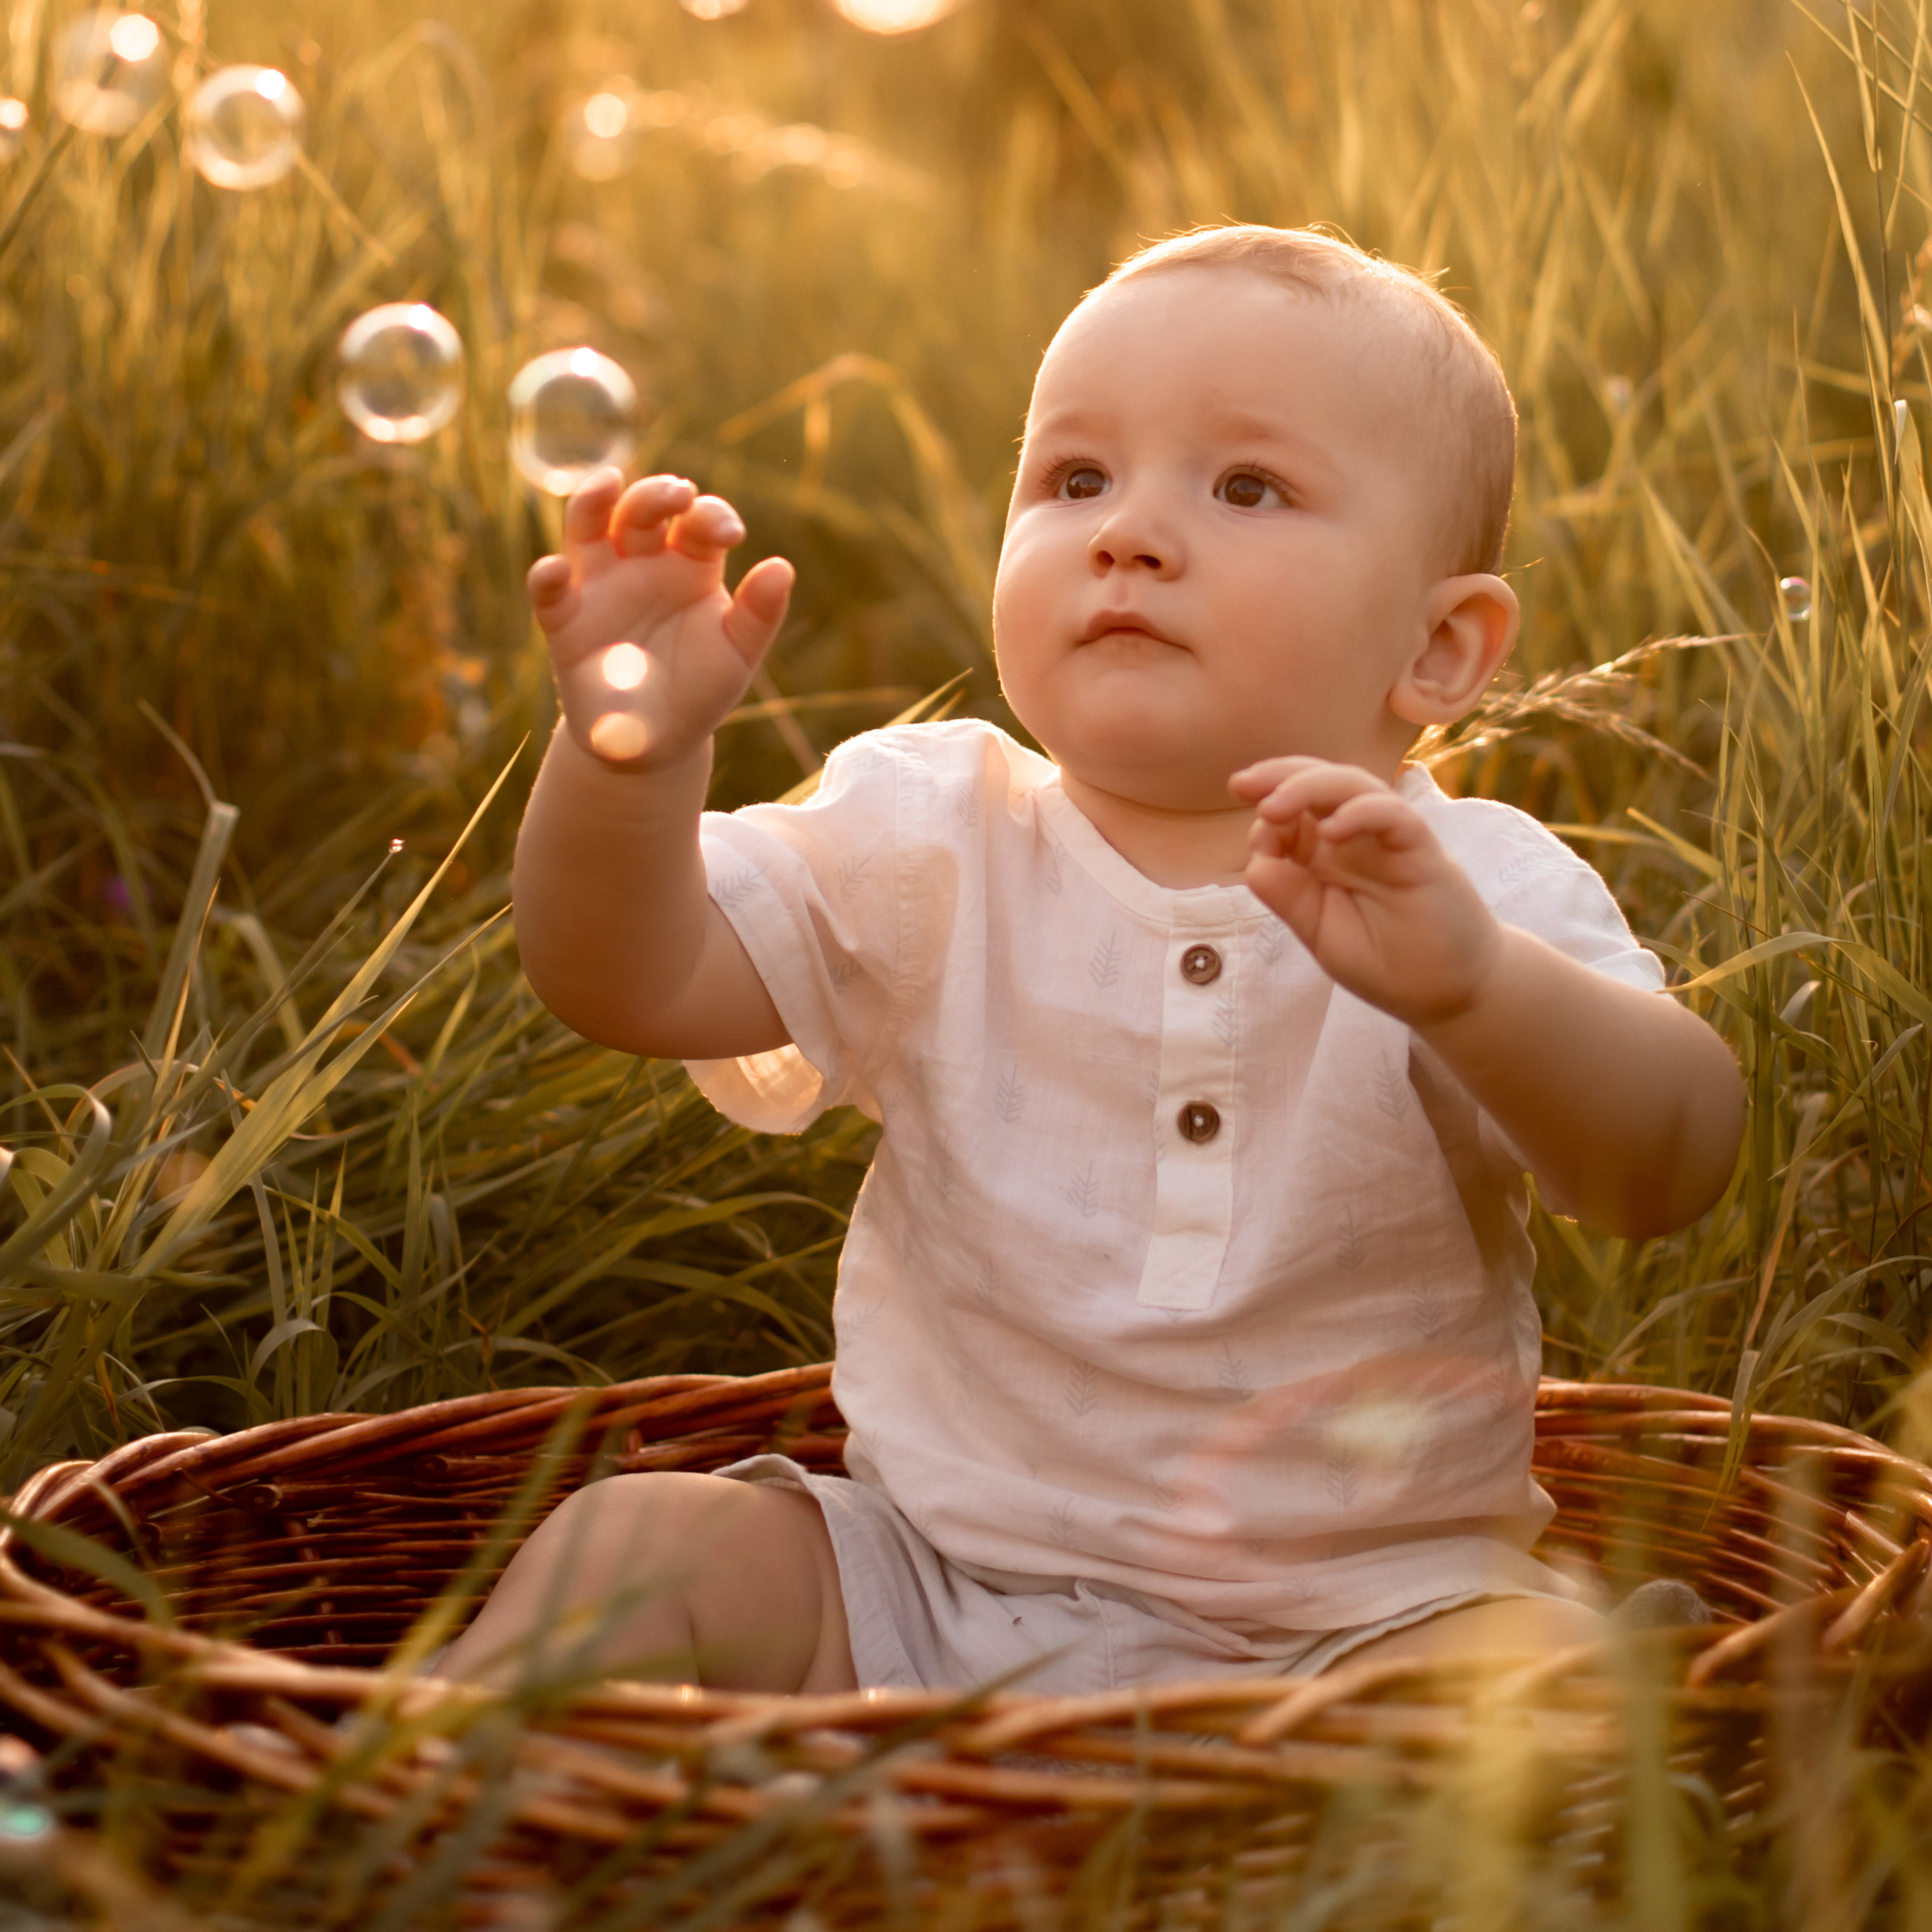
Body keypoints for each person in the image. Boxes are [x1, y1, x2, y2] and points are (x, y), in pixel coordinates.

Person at [439, 224, 1744, 1697]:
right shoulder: (928, 837)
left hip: (1360, 1627)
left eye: (1245, 485)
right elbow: (624, 974)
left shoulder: (1462, 894)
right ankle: (396, 1838)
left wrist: (1474, 990)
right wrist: (627, 753)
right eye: (1074, 478)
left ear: (1438, 649)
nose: (1126, 531)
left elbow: (1668, 1163)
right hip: (935, 1590)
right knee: (640, 1547)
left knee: (1538, 1689)